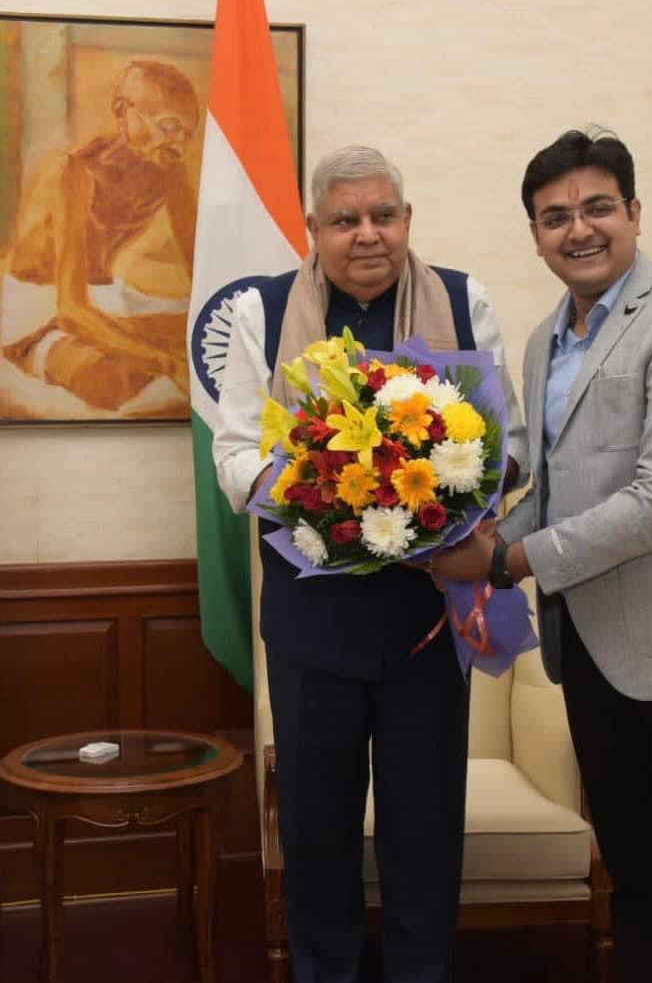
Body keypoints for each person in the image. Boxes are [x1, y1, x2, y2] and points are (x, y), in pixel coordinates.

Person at [433, 128, 652, 982]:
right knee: (635, 888)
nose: (577, 230)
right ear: (535, 234)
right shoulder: (542, 338)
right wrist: (461, 541)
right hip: (593, 652)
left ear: (633, 212)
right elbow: (556, 494)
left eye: (597, 208)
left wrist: (501, 565)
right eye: (554, 217)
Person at [213, 145, 526, 983]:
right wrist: (329, 494)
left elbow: (510, 445)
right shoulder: (263, 311)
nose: (367, 235)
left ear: (407, 220)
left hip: (428, 619)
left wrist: (454, 502)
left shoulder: (463, 301)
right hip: (312, 626)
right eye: (345, 219)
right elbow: (235, 452)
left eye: (383, 216)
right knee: (317, 831)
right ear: (313, 229)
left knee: (424, 828)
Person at [2, 59, 200, 417]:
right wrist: (166, 362)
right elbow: (72, 311)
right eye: (169, 127)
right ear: (124, 112)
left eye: (187, 135)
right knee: (111, 380)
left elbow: (201, 273)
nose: (179, 147)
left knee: (202, 328)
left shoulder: (168, 169)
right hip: (39, 312)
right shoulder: (74, 174)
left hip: (100, 305)